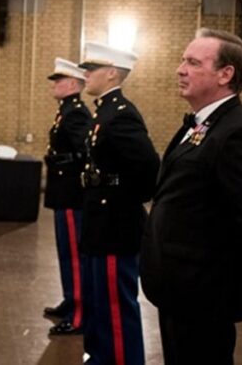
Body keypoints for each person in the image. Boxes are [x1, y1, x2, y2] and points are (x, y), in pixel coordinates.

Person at [140, 28, 242, 364]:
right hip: (179, 290)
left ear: (225, 74)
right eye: (183, 60)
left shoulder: (237, 132)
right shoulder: (205, 124)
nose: (179, 69)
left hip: (202, 296)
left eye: (192, 62)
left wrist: (220, 284)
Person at [77, 42, 159, 365]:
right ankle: (100, 358)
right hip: (100, 219)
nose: (85, 74)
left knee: (115, 306)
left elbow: (149, 167)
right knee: (99, 302)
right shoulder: (104, 111)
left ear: (111, 73)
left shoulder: (122, 115)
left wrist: (124, 198)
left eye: (91, 69)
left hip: (116, 223)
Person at [42, 58, 91, 336]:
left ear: (73, 84)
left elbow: (85, 151)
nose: (55, 85)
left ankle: (79, 314)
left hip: (72, 193)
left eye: (59, 81)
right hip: (64, 192)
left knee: (74, 254)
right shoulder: (66, 111)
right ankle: (70, 299)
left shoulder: (76, 113)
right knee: (65, 252)